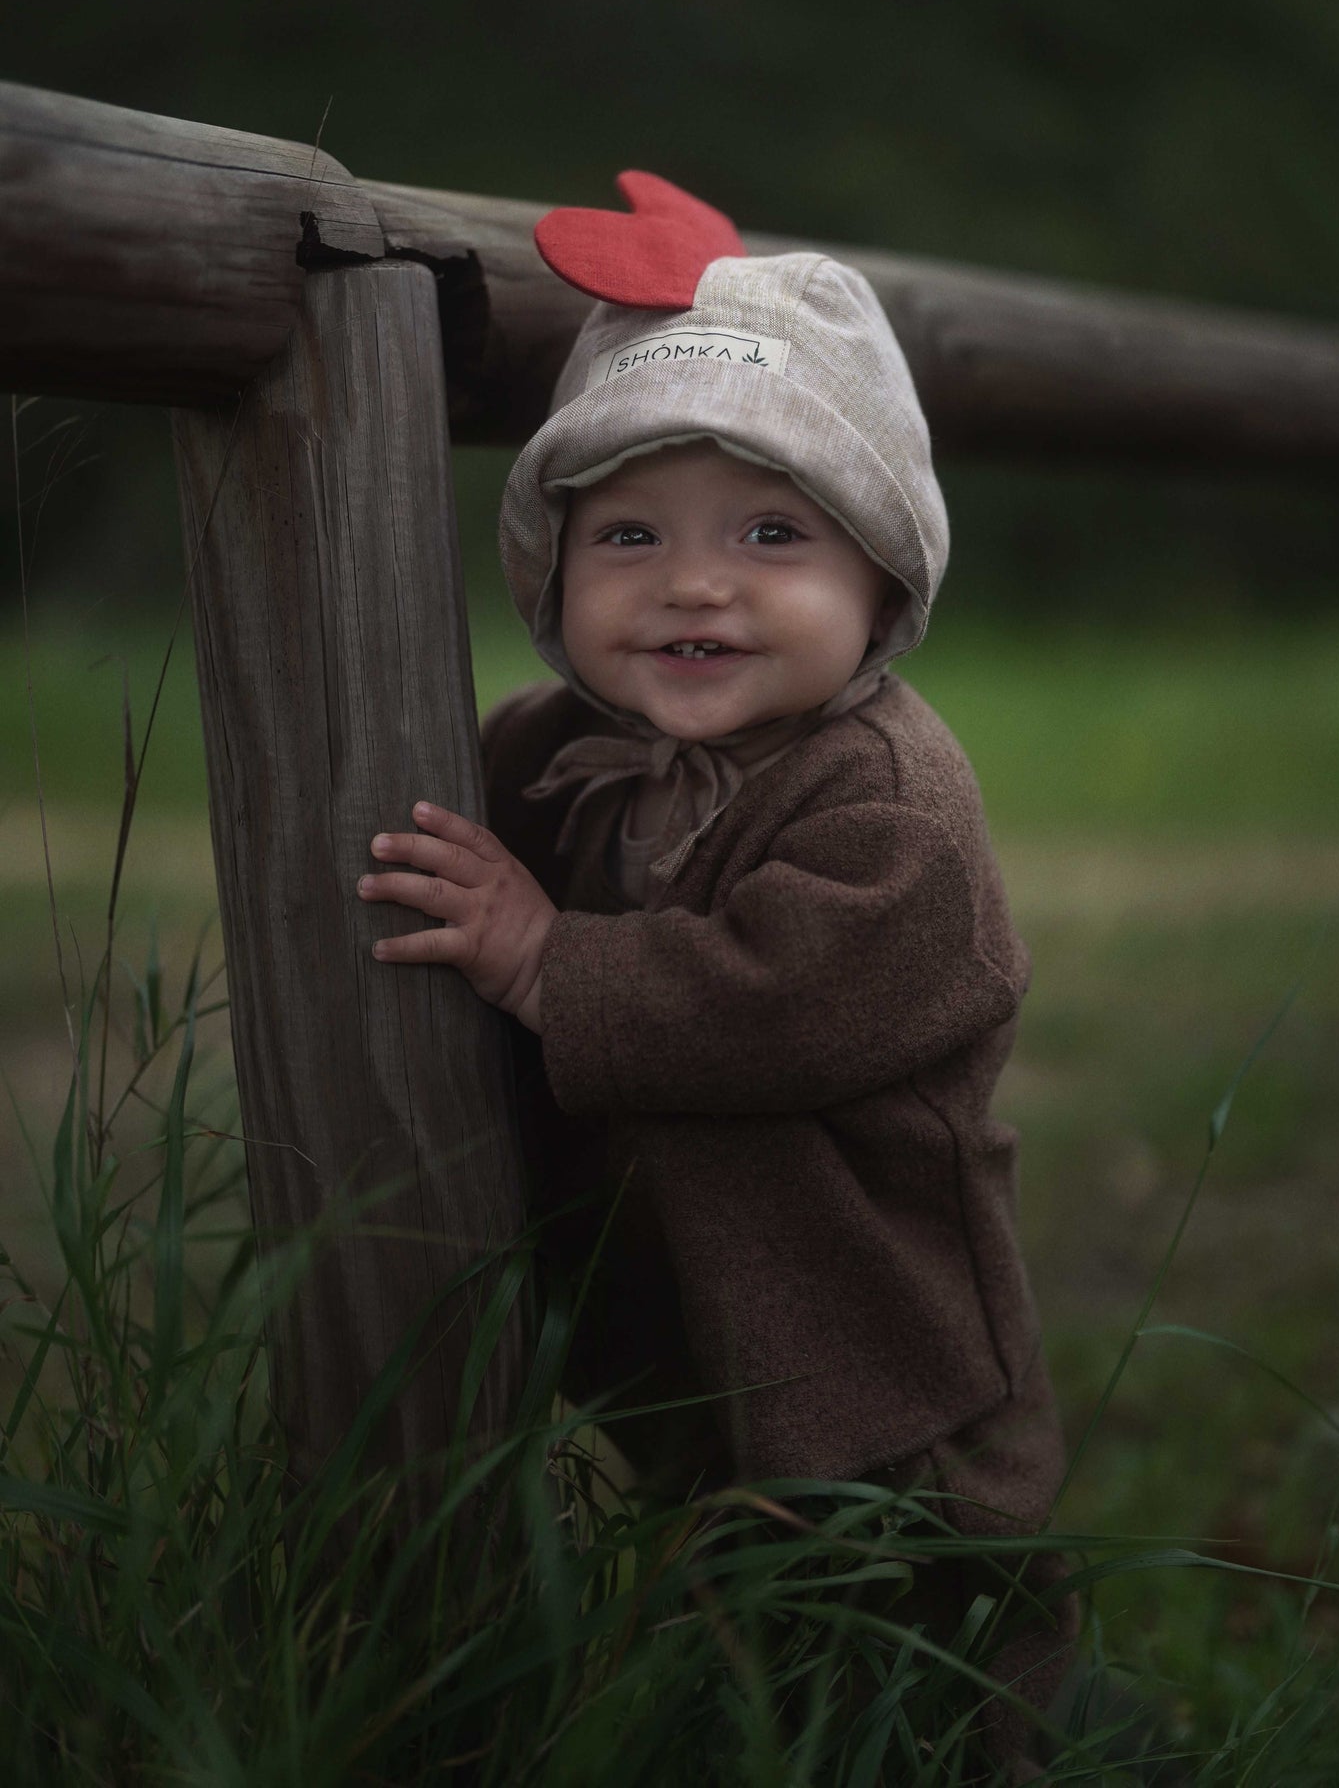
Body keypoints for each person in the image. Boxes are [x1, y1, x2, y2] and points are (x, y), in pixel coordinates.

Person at [357, 174, 1076, 1779]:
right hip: (686, 1289)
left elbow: (777, 1005)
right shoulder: (551, 749)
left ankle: (1008, 1746)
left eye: (771, 532)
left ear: (882, 577)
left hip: (876, 1313)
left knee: (927, 1594)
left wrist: (544, 953)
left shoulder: (884, 799)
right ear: (550, 575)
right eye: (628, 535)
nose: (693, 584)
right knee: (740, 1562)